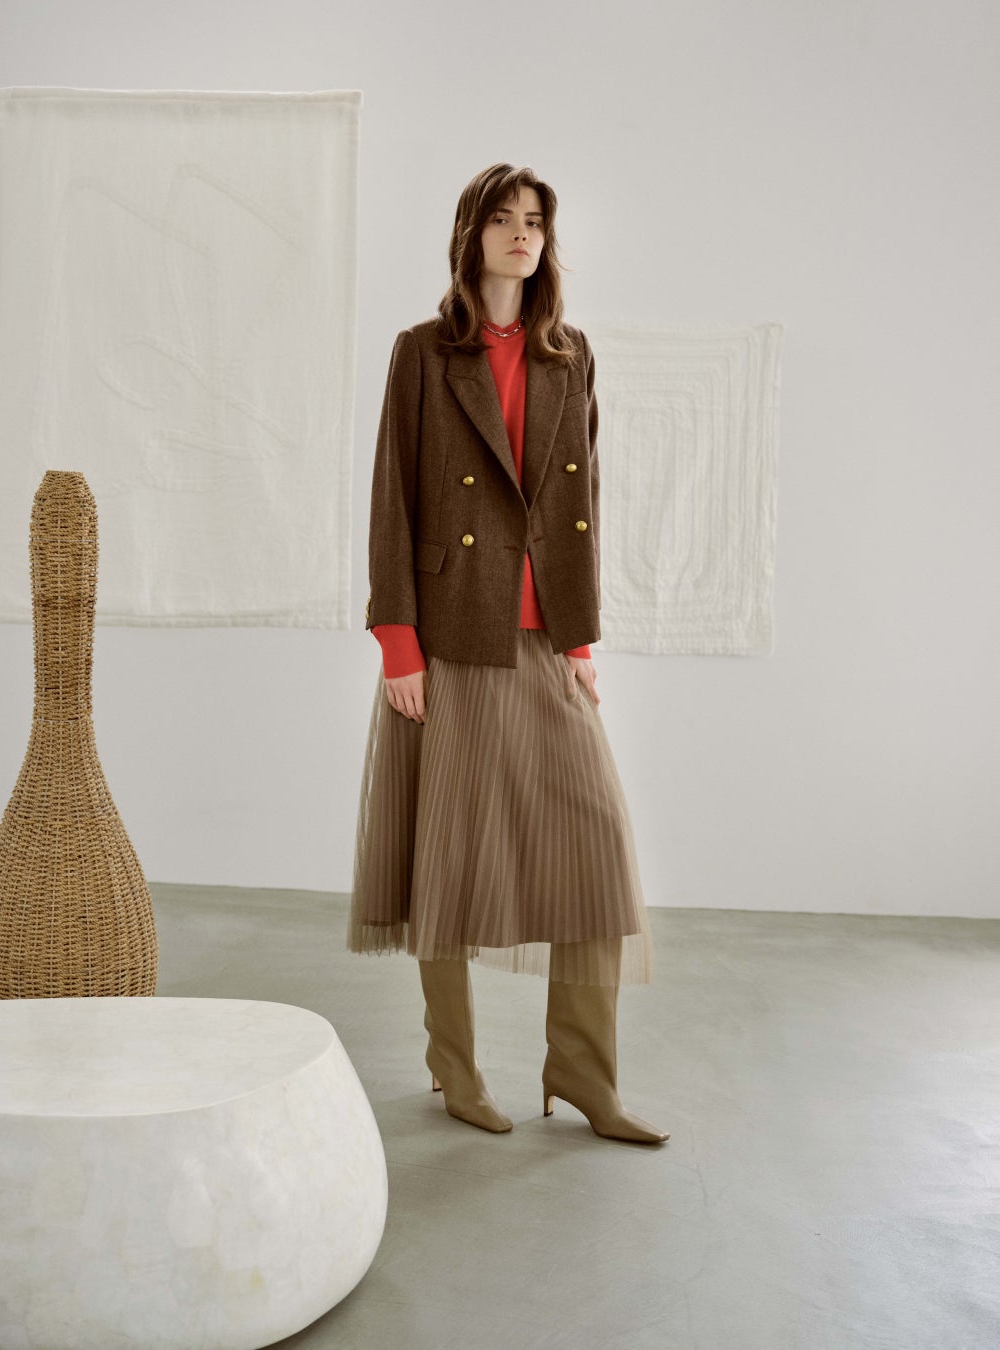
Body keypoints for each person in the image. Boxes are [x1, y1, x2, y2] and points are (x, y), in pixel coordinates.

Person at [348, 162, 668, 1145]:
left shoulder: (569, 356)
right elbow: (393, 496)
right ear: (471, 235)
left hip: (541, 638)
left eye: (534, 220)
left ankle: (583, 1075)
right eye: (502, 218)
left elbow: (579, 504)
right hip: (449, 637)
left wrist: (577, 638)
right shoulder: (422, 351)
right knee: (447, 857)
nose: (521, 233)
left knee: (594, 852)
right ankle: (454, 1070)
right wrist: (397, 644)